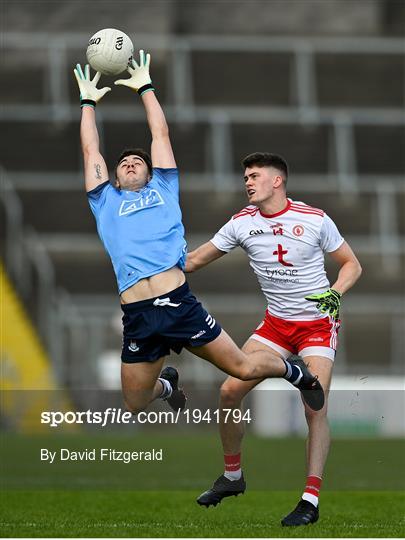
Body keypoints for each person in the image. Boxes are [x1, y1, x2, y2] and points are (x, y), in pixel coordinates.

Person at [73, 51, 324, 420]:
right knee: (135, 401)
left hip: (177, 303)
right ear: (114, 177)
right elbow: (90, 148)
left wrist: (145, 86)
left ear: (150, 172)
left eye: (138, 162)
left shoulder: (164, 186)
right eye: (124, 163)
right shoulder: (104, 200)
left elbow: (159, 132)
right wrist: (88, 102)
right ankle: (168, 386)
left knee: (241, 367)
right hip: (137, 313)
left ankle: (295, 372)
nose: (130, 164)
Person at [186, 152, 362, 526]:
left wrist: (336, 292)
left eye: (253, 175)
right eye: (245, 176)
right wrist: (150, 259)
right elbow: (194, 260)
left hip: (316, 324)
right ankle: (232, 477)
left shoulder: (314, 219)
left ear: (276, 181)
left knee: (315, 409)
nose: (247, 182)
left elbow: (352, 264)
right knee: (229, 392)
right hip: (275, 326)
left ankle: (309, 501)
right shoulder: (241, 224)